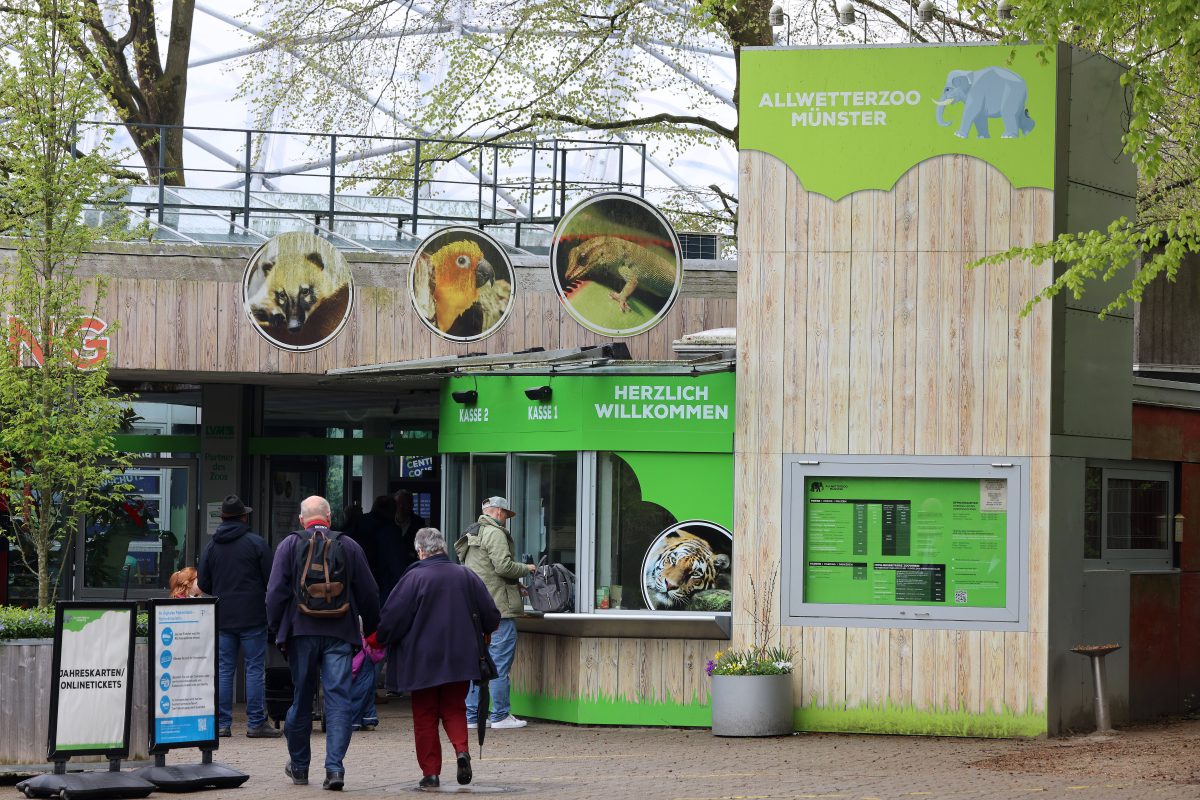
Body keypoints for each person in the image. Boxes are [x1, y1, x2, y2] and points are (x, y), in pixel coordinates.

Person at [267, 495, 380, 792]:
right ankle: (334, 769)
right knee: (339, 701)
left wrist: (278, 630)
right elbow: (369, 592)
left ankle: (300, 767)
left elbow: (275, 593)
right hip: (340, 633)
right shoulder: (349, 545)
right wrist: (371, 629)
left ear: (302, 520)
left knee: (301, 699)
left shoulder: (289, 545)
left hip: (300, 632)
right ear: (329, 519)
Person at [374, 527, 500, 789]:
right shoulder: (466, 575)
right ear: (442, 547)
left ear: (420, 550)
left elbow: (391, 619)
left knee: (425, 716)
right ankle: (461, 751)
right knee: (455, 709)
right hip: (460, 659)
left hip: (421, 662)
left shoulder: (413, 579)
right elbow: (491, 615)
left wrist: (379, 638)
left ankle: (431, 774)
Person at [197, 495, 279, 740]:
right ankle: (256, 723)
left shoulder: (211, 547)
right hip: (253, 615)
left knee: (224, 669)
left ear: (223, 518)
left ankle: (222, 724)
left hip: (223, 617)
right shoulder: (256, 543)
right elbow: (271, 579)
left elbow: (203, 583)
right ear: (244, 517)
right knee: (254, 668)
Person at [454, 496, 536, 730]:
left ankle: (471, 716)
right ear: (498, 512)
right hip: (499, 609)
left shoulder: (473, 532)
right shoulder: (495, 533)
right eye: (506, 515)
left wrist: (513, 584)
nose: (506, 520)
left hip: (475, 608)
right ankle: (499, 715)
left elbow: (484, 569)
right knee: (499, 663)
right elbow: (503, 566)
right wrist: (526, 569)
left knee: (475, 662)